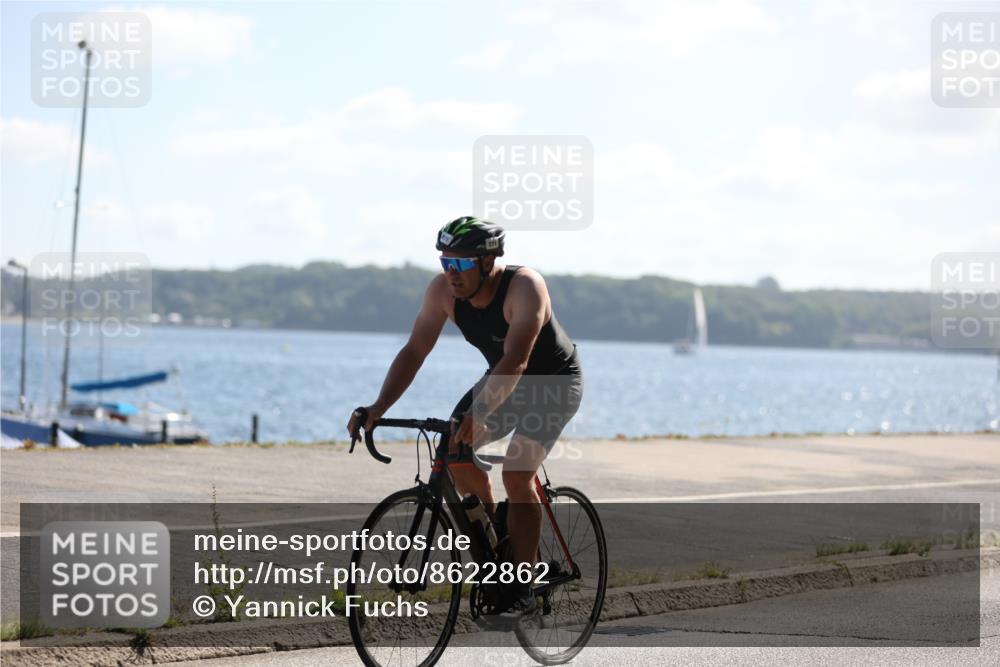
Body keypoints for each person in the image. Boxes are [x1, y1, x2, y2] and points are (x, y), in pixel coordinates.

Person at [347, 216, 583, 613]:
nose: (450, 274)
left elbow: (517, 358)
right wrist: (377, 408)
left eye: (460, 264)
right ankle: (499, 544)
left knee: (516, 473)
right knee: (454, 453)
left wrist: (480, 410)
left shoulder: (525, 287)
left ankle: (523, 580)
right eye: (445, 263)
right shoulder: (442, 291)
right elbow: (415, 350)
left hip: (552, 384)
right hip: (503, 380)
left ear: (488, 262)